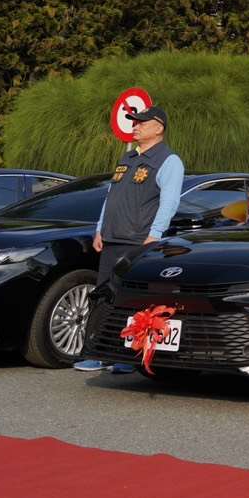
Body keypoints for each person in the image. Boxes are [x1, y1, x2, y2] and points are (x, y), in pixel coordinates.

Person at [73, 104, 185, 373]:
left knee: (131, 301)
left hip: (138, 242)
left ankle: (127, 357)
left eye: (141, 123)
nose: (135, 126)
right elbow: (111, 197)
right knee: (103, 297)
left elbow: (169, 202)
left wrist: (155, 234)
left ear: (158, 128)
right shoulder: (128, 159)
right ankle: (98, 351)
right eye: (134, 122)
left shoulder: (169, 161)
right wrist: (100, 228)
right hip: (112, 238)